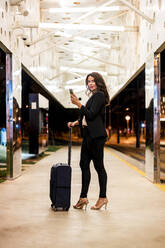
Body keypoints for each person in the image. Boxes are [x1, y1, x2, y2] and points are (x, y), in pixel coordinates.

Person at [67, 72, 110, 210]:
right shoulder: (93, 97)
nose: (90, 83)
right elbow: (87, 118)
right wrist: (75, 122)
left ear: (98, 82)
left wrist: (78, 104)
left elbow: (91, 115)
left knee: (99, 167)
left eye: (93, 81)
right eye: (88, 81)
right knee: (84, 164)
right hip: (88, 136)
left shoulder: (99, 96)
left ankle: (103, 197)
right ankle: (83, 197)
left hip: (96, 137)